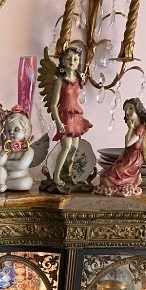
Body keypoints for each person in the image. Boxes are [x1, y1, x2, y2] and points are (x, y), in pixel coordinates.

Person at [50, 46, 92, 186]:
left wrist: (82, 118)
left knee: (74, 148)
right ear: (63, 60)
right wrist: (58, 122)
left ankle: (67, 175)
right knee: (66, 146)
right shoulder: (60, 81)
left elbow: (77, 100)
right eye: (69, 59)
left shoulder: (79, 80)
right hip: (64, 117)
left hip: (76, 117)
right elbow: (54, 104)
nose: (72, 61)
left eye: (75, 59)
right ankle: (56, 176)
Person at [96, 98, 146, 196]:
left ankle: (127, 183)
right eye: (125, 110)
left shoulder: (141, 128)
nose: (127, 112)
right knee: (106, 175)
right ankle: (117, 185)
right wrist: (120, 157)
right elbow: (127, 148)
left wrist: (130, 129)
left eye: (130, 108)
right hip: (127, 156)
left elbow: (128, 143)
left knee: (113, 175)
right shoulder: (134, 126)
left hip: (133, 160)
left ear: (138, 110)